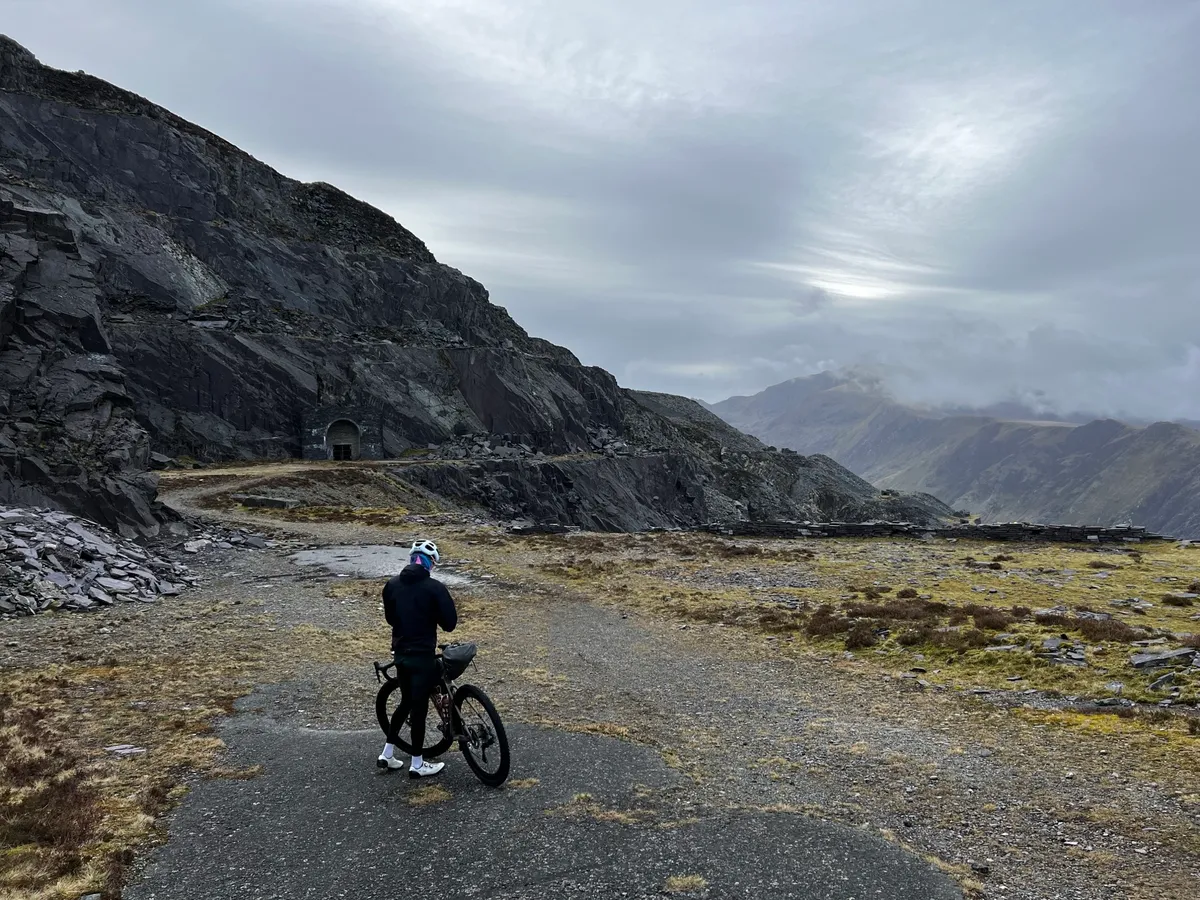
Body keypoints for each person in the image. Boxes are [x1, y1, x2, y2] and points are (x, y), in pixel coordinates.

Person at [378, 539, 458, 778]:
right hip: (422, 655)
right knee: (419, 708)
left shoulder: (391, 585)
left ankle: (387, 754)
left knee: (406, 702)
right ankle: (417, 763)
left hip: (401, 653)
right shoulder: (435, 588)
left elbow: (391, 619)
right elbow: (450, 624)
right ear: (430, 562)